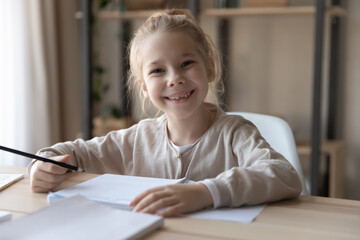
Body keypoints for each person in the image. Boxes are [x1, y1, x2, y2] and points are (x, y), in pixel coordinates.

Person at [29, 9, 302, 217]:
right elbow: (71, 153)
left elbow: (283, 175)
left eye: (186, 63)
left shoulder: (235, 133)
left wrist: (205, 192)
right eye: (158, 70)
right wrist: (42, 163)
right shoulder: (136, 139)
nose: (174, 79)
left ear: (209, 68)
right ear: (144, 87)